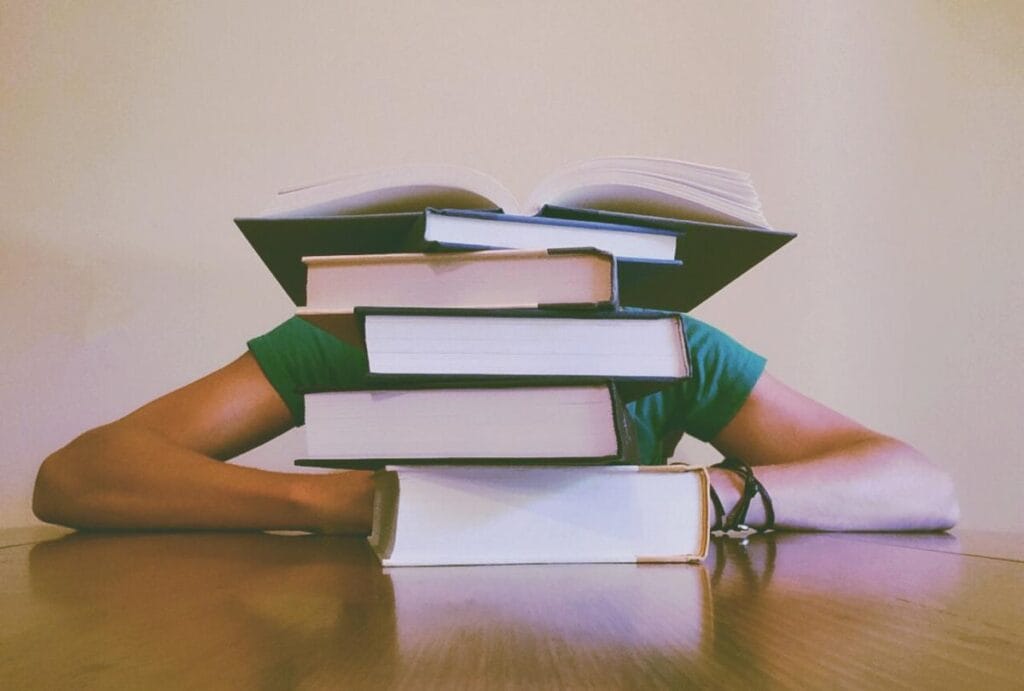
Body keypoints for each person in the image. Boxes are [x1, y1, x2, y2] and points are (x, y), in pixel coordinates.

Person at [32, 314, 959, 534]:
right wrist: (349, 502)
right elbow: (77, 474)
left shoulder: (665, 347)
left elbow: (920, 482)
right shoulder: (351, 334)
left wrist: (713, 493)